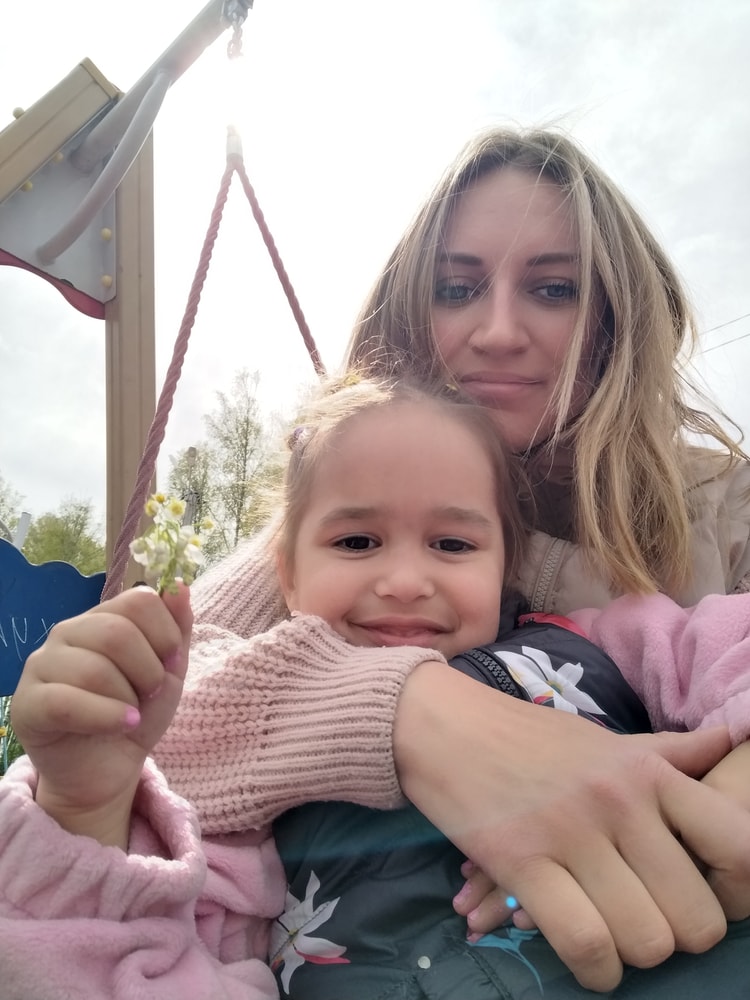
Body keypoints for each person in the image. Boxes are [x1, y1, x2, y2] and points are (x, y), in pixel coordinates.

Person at [2, 124, 750, 995]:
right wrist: (409, 713)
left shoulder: (713, 517)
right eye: (456, 288)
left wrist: (719, 809)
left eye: (554, 289)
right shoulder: (321, 526)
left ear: (620, 312)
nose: (498, 331)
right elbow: (167, 704)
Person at [259, 377, 750, 999]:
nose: (405, 581)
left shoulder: (590, 645)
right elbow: (190, 937)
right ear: (289, 575)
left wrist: (725, 799)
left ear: (505, 564)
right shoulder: (261, 746)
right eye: (357, 542)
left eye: (452, 544)